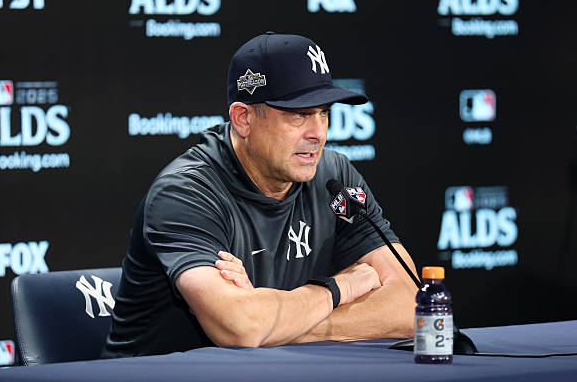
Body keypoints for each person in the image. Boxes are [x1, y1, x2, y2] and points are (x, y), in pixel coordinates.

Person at [102, 31, 418, 359]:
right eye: (299, 114)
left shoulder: (333, 177)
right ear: (243, 119)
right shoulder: (185, 192)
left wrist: (276, 324)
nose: (319, 133)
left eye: (324, 112)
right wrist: (339, 289)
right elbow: (241, 327)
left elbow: (410, 303)